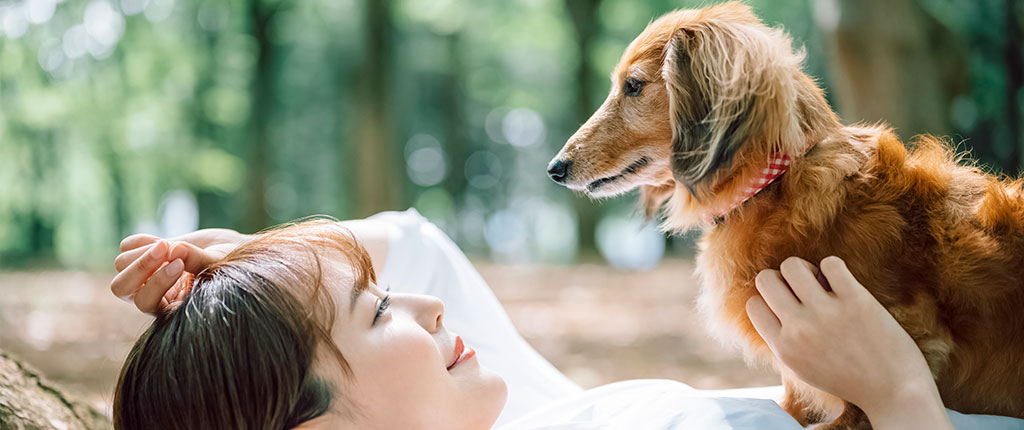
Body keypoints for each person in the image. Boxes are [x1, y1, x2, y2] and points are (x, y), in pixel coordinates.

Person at [109, 210, 1024, 429]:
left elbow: (413, 247)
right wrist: (901, 395)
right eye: (378, 312)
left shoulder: (510, 415)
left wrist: (252, 261)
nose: (426, 307)